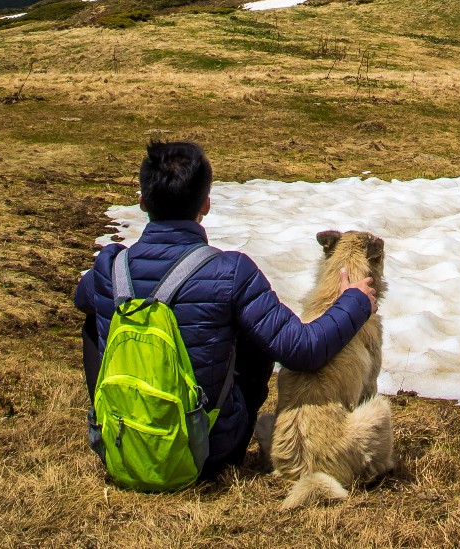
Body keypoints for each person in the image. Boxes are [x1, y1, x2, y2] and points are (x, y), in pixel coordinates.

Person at [73, 139, 375, 483]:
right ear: (206, 203)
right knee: (254, 331)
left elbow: (82, 299)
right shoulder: (230, 272)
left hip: (119, 448)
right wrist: (355, 301)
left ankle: (114, 424)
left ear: (142, 202)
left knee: (94, 316)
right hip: (206, 454)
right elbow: (301, 349)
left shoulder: (109, 266)